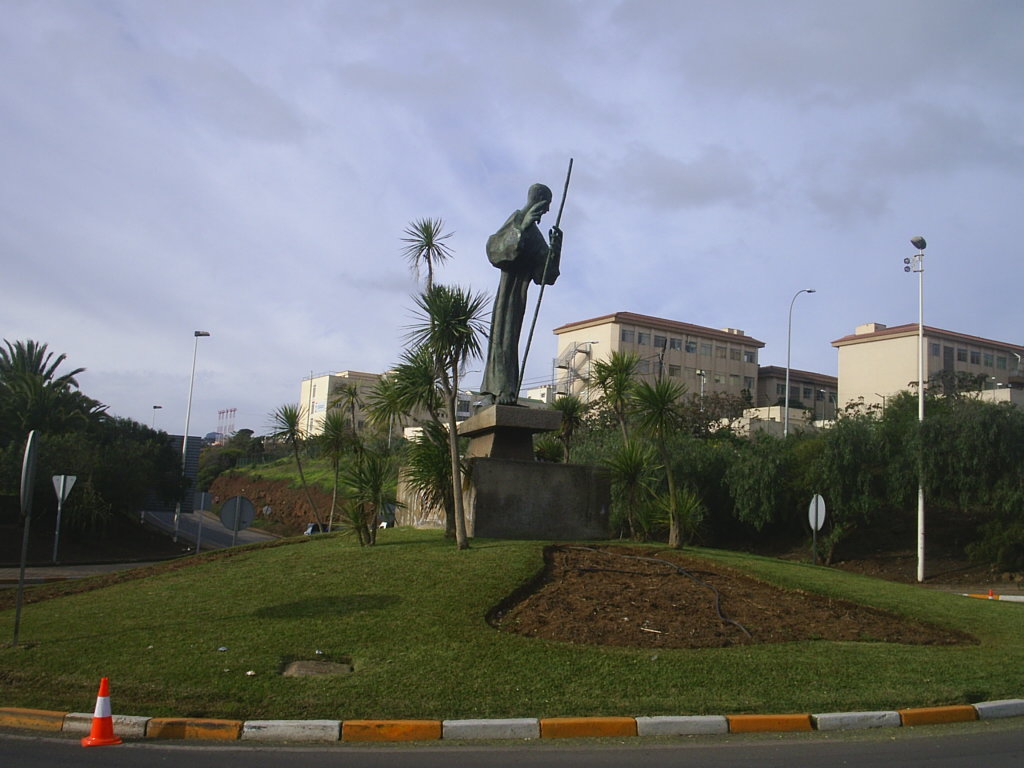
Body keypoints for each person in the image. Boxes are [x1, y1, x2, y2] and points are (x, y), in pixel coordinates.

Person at [479, 183, 563, 405]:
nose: (547, 211)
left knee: (509, 337)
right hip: (507, 290)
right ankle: (498, 389)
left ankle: (504, 387)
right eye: (547, 206)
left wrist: (556, 249)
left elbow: (545, 275)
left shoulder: (535, 235)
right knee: (501, 335)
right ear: (540, 201)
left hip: (519, 293)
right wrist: (521, 229)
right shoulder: (517, 219)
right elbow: (495, 250)